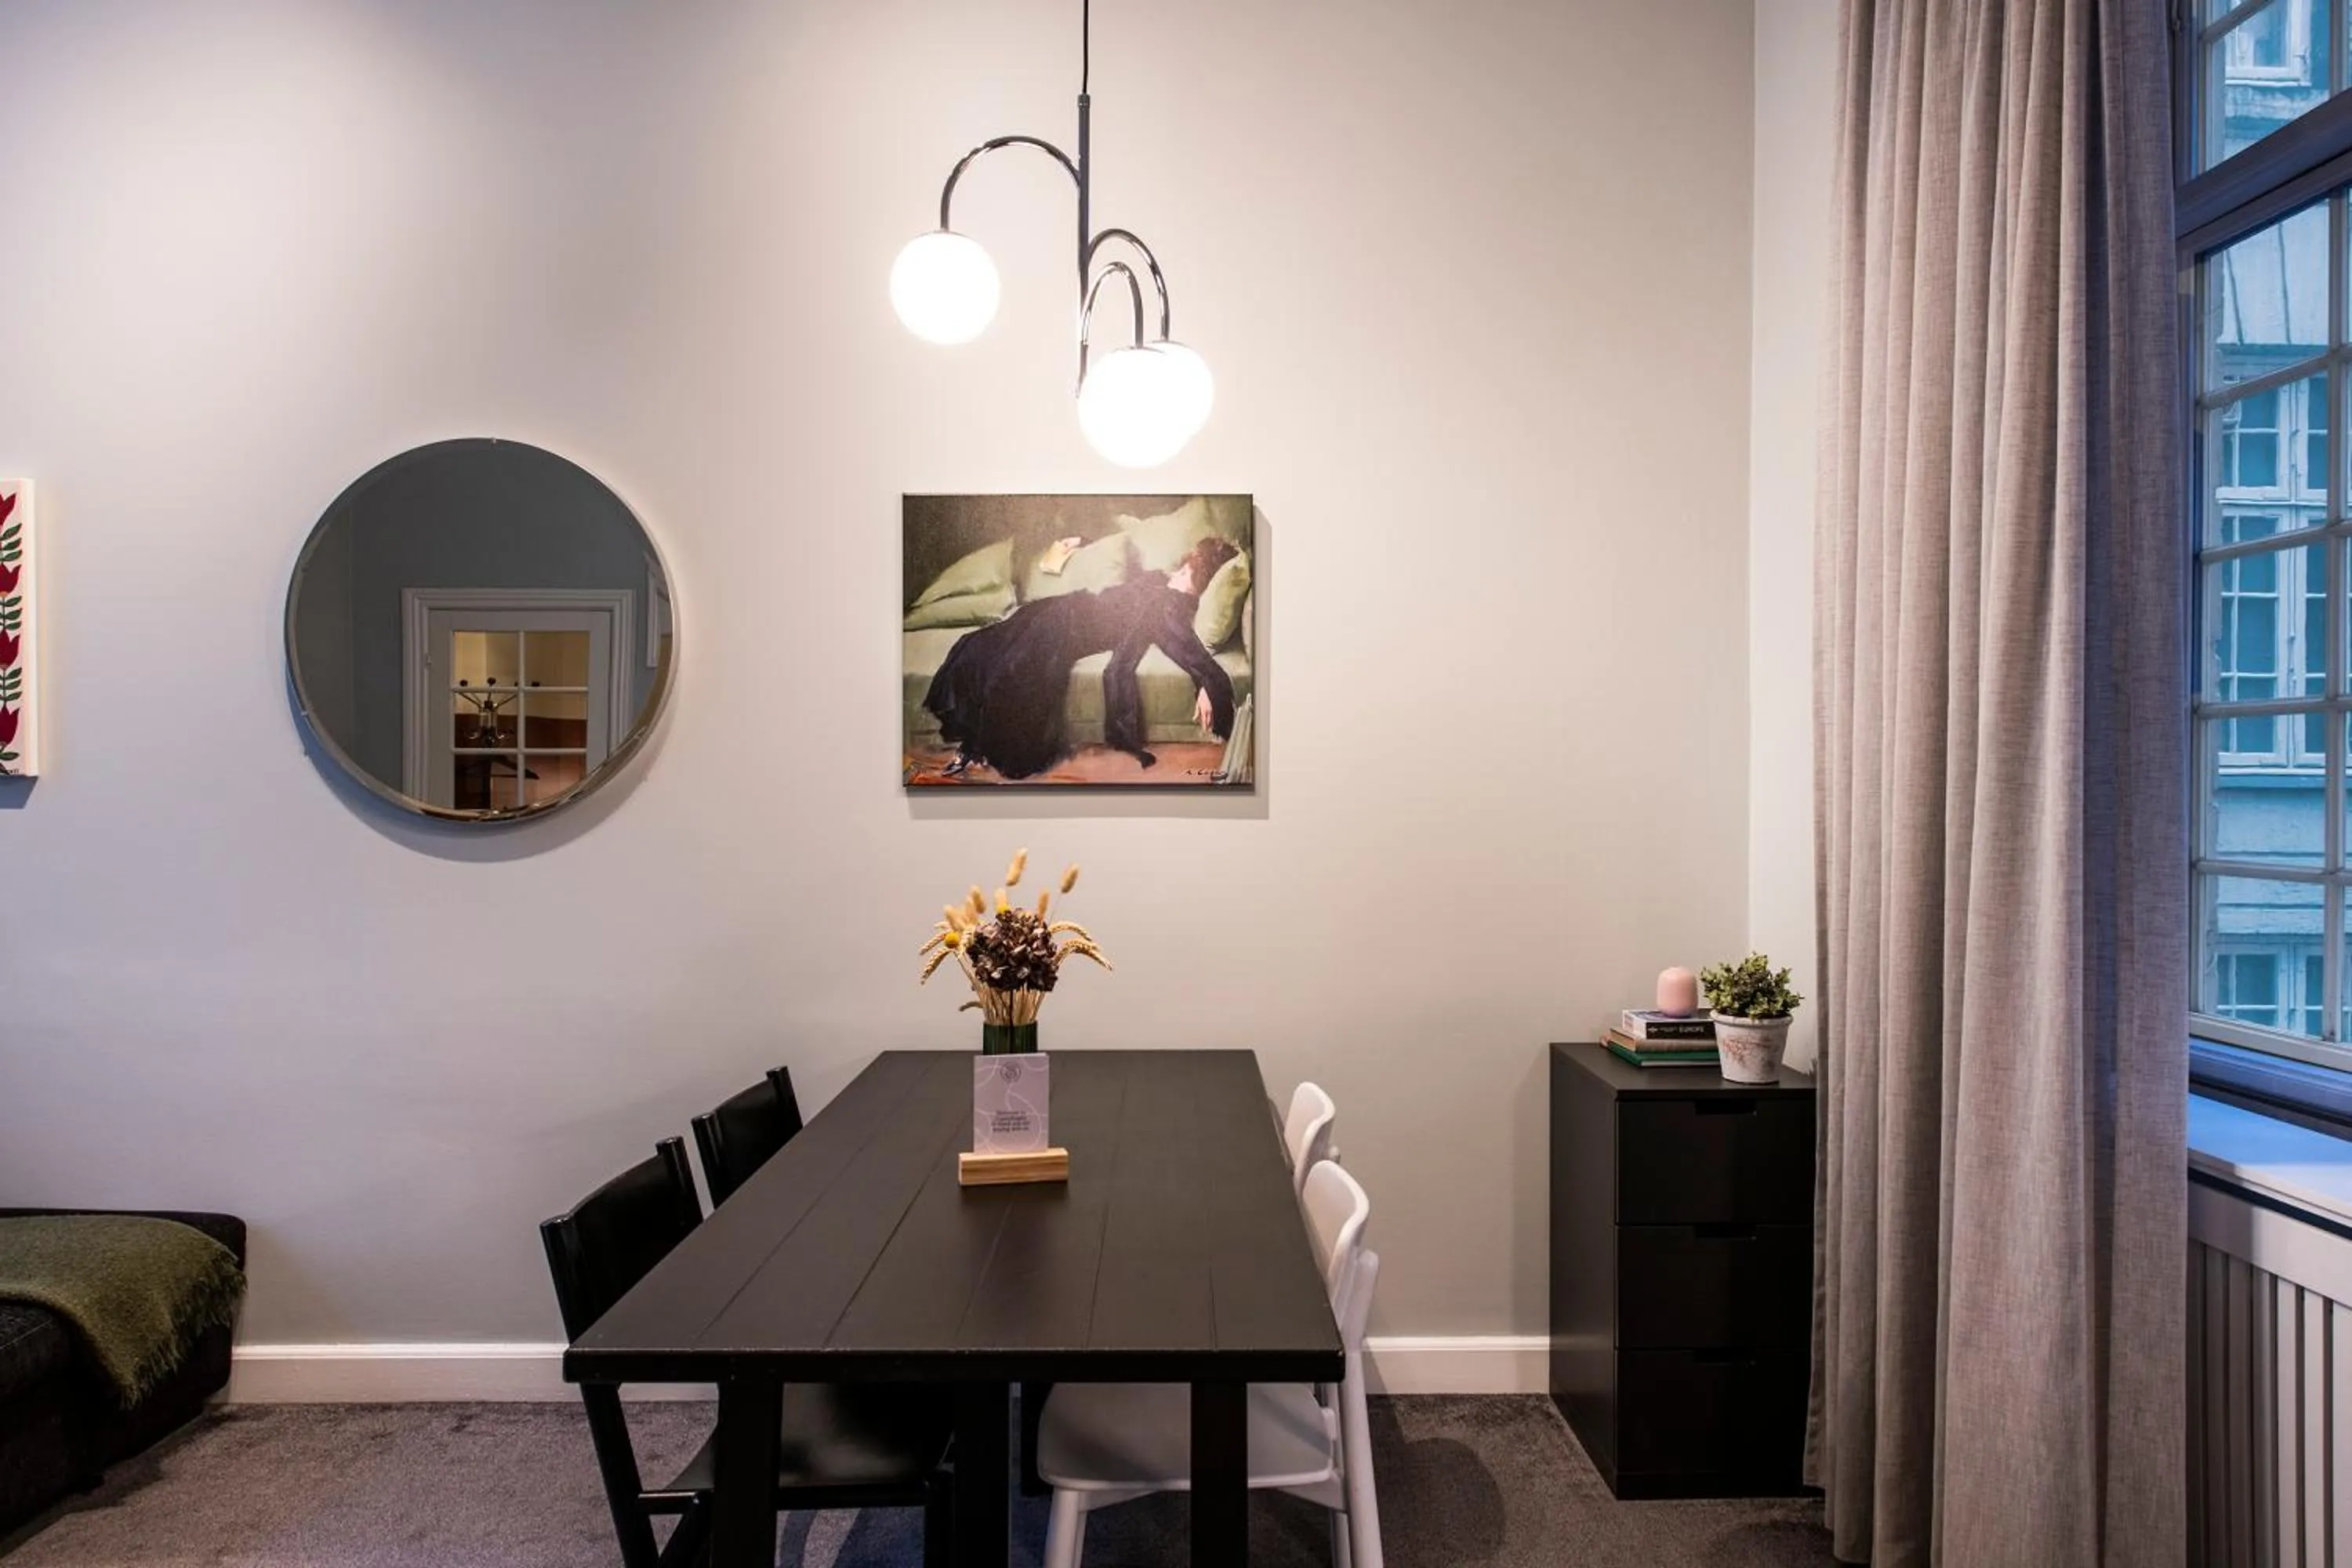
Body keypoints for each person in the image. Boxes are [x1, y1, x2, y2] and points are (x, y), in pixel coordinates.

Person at [924, 535, 1239, 779]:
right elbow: (1129, 570)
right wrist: (1084, 541)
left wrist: (1204, 682)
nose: (1186, 567)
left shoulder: (1171, 604)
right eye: (1190, 563)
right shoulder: (1159, 579)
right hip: (1063, 608)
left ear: (1201, 572)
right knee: (978, 645)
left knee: (1013, 669)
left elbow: (1185, 647)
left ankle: (975, 747)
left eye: (1195, 567)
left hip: (1069, 627)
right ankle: (972, 743)